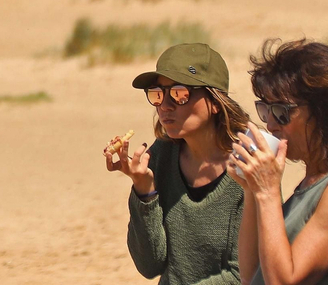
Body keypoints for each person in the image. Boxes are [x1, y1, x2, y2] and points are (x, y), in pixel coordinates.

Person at [227, 40, 328, 285]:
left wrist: (268, 193)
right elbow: (252, 275)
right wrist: (251, 190)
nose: (270, 124)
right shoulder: (317, 176)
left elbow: (283, 281)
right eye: (265, 110)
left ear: (324, 111)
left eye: (281, 112)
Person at [107, 43, 250, 285]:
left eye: (180, 94)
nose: (165, 106)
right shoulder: (162, 154)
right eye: (157, 94)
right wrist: (145, 192)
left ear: (215, 102)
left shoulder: (249, 167)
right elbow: (149, 265)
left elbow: (244, 274)